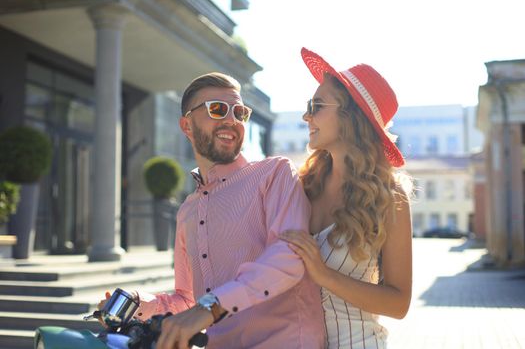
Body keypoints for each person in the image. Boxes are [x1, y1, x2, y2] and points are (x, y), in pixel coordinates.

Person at [100, 72, 325, 349]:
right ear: (187, 125)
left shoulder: (275, 173)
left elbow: (288, 257)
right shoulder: (188, 212)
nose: (231, 119)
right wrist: (139, 304)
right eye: (217, 109)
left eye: (239, 112)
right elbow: (188, 300)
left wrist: (209, 308)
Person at [280, 48, 413, 349]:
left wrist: (324, 274)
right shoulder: (303, 185)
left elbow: (399, 303)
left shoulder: (390, 197)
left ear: (350, 116)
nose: (306, 115)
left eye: (316, 105)